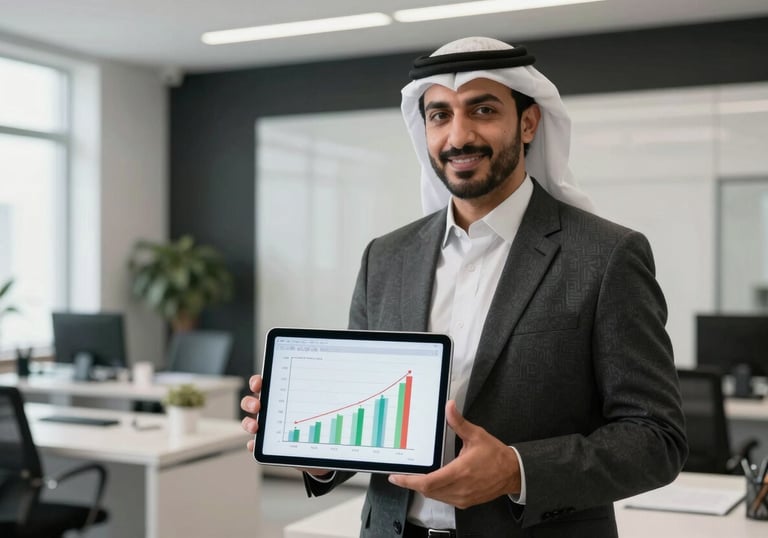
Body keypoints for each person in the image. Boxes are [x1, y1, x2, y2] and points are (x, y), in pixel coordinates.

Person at [241, 36, 687, 537]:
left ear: (528, 123)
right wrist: (316, 449)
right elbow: (374, 426)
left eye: (482, 110)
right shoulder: (385, 257)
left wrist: (516, 470)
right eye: (439, 115)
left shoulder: (604, 256)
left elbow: (656, 437)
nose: (459, 136)